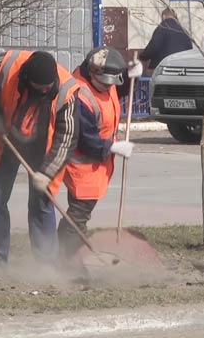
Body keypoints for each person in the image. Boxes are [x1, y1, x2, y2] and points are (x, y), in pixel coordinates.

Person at [0, 50, 81, 265]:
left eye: (47, 88)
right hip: (4, 140)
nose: (44, 91)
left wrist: (47, 172)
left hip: (44, 149)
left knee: (42, 204)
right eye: (38, 88)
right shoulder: (7, 64)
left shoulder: (67, 91)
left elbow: (67, 137)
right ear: (27, 80)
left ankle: (46, 264)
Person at [57, 46, 143, 259]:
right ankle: (70, 259)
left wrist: (133, 77)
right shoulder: (80, 95)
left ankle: (73, 253)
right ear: (93, 73)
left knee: (80, 214)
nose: (108, 87)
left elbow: (116, 91)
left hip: (98, 163)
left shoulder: (104, 80)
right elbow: (85, 137)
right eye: (104, 83)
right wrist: (112, 147)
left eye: (112, 82)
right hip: (83, 164)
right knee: (78, 215)